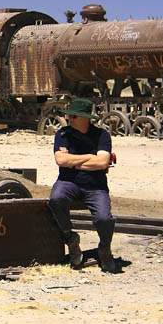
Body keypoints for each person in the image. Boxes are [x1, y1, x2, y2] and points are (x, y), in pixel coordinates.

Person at [48, 98, 117, 272]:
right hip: (68, 182)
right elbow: (61, 160)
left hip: (95, 185)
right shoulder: (62, 134)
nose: (69, 119)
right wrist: (89, 158)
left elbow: (102, 162)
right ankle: (70, 237)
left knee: (104, 218)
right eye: (70, 115)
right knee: (56, 199)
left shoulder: (102, 135)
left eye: (74, 116)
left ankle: (104, 248)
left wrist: (74, 162)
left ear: (85, 118)